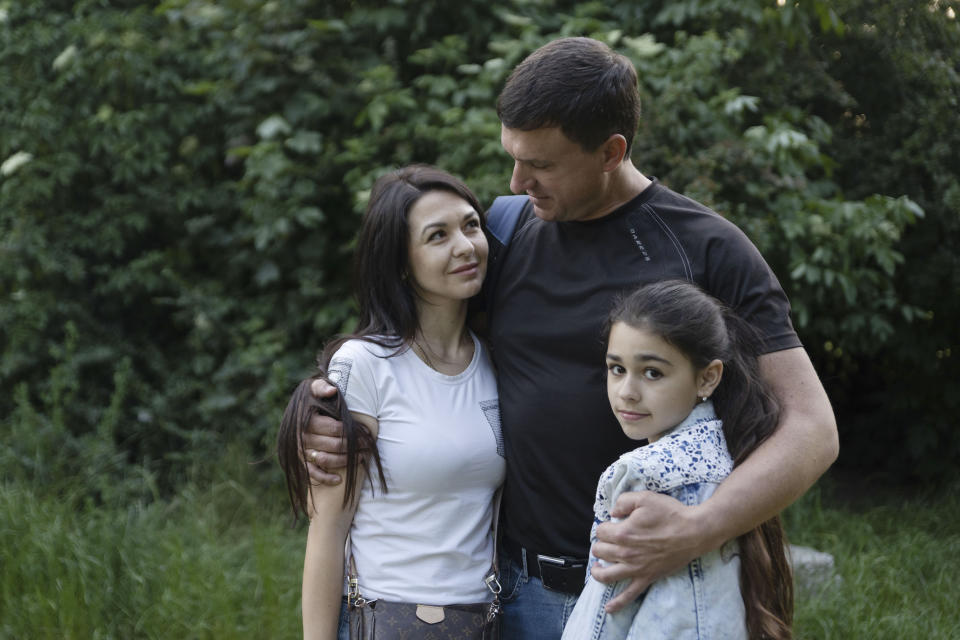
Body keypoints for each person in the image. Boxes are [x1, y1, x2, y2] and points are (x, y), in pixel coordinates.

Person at [303, 37, 837, 639]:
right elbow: (411, 340)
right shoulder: (503, 233)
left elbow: (813, 429)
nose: (516, 179)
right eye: (513, 156)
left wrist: (700, 527)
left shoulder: (707, 249)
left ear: (612, 151)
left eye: (542, 164)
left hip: (658, 590)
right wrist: (322, 406)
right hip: (515, 596)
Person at [276, 165, 505, 640]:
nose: (464, 246)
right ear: (402, 263)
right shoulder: (365, 365)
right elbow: (327, 534)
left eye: (470, 225)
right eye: (437, 236)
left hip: (480, 624)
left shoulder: (495, 361)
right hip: (387, 619)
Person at [561, 281, 793, 640]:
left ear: (707, 378)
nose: (627, 392)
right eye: (616, 369)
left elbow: (606, 612)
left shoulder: (640, 476)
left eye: (652, 372)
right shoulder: (736, 456)